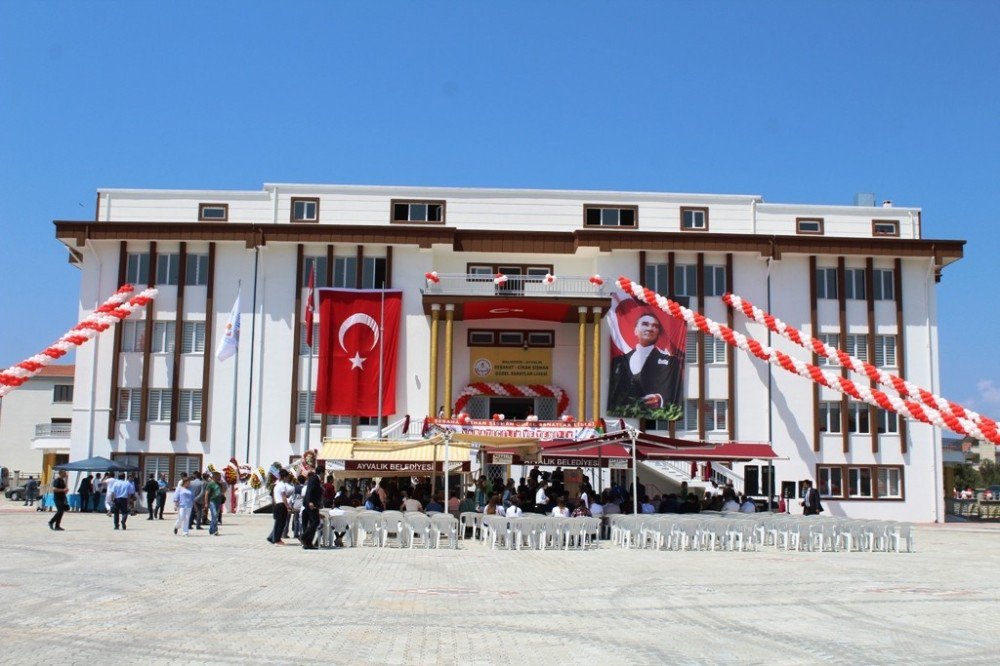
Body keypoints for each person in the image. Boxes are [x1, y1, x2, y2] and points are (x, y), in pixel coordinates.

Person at [608, 312, 682, 414]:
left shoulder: (671, 363)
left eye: (655, 326)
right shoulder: (618, 362)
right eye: (645, 324)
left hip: (650, 418)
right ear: (635, 331)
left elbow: (675, 390)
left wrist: (660, 399)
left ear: (658, 333)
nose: (650, 328)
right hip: (619, 418)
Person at [268, 469, 293, 545]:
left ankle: (273, 537)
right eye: (287, 477)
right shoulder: (282, 485)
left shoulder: (276, 485)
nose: (288, 478)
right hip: (281, 505)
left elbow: (275, 497)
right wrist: (288, 507)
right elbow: (284, 497)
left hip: (277, 504)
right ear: (285, 477)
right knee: (281, 523)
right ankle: (277, 539)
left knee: (278, 523)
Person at [299, 470, 323, 549]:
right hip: (311, 504)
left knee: (313, 522)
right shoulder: (314, 478)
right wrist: (310, 502)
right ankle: (303, 537)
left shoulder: (316, 479)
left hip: (314, 504)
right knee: (316, 521)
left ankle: (308, 543)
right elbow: (309, 491)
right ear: (322, 472)